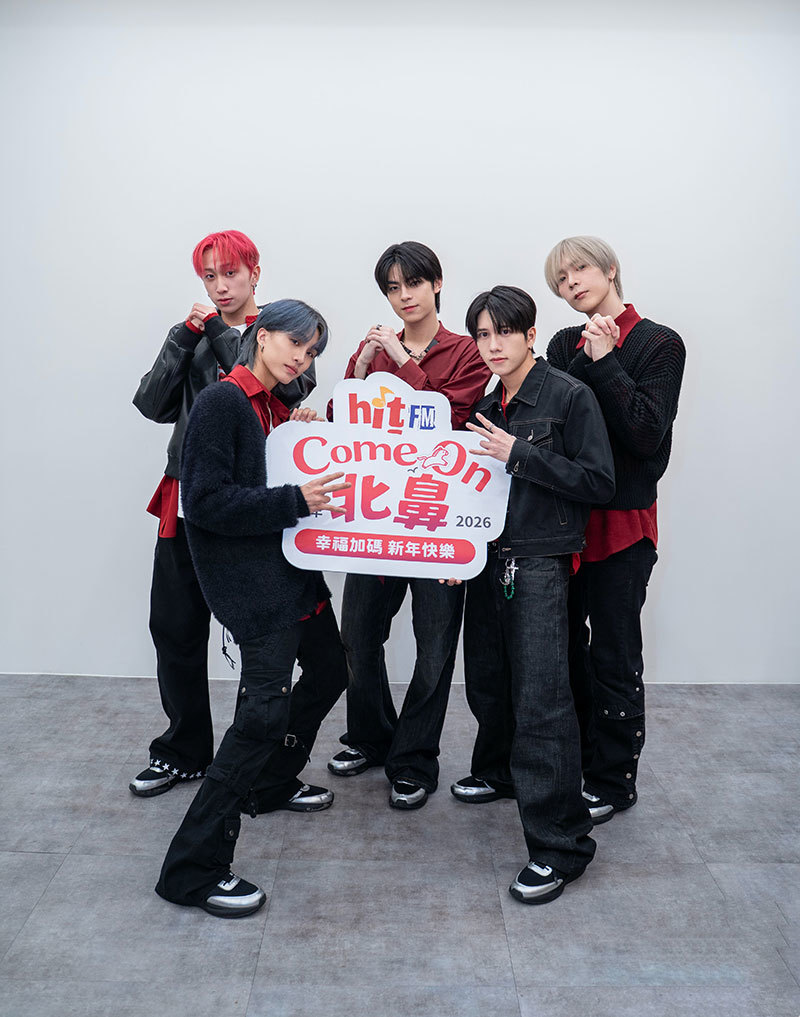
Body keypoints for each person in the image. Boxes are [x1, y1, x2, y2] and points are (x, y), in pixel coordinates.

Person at [156, 299, 349, 917]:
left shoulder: (273, 407)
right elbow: (205, 503)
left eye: (312, 351)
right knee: (261, 717)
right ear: (261, 336)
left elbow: (268, 481)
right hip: (255, 588)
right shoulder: (223, 402)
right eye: (294, 343)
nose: (302, 358)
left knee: (331, 670)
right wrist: (296, 499)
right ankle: (192, 869)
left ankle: (268, 782)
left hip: (292, 577)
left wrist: (302, 435)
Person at [130, 230, 318, 809]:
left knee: (260, 642)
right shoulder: (192, 334)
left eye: (230, 273)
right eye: (209, 276)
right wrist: (182, 337)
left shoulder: (285, 334)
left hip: (250, 506)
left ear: (254, 273)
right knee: (175, 625)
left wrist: (216, 330)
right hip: (186, 496)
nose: (219, 286)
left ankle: (250, 766)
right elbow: (152, 405)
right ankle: (184, 750)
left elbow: (285, 390)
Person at [457, 285, 615, 903]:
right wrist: (455, 551)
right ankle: (503, 776)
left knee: (543, 701)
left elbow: (598, 482)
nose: (492, 345)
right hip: (489, 560)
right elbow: (472, 489)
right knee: (489, 683)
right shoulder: (488, 401)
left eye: (504, 332)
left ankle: (560, 847)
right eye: (482, 335)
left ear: (529, 334)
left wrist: (520, 453)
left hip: (542, 563)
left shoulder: (569, 395)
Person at [326, 241, 491, 810]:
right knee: (357, 635)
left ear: (437, 284)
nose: (404, 297)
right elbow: (344, 425)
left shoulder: (468, 350)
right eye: (393, 288)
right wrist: (360, 370)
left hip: (438, 519)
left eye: (413, 284)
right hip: (377, 519)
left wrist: (400, 359)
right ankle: (370, 737)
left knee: (435, 646)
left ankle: (415, 759)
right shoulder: (370, 349)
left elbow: (452, 420)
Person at [544, 236, 685, 824]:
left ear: (609, 269)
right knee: (564, 649)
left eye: (579, 270)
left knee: (614, 653)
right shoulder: (561, 343)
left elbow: (645, 436)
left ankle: (614, 779)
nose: (571, 283)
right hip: (564, 520)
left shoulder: (660, 342)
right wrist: (587, 356)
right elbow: (552, 418)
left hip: (624, 523)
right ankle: (579, 763)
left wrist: (606, 362)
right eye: (560, 279)